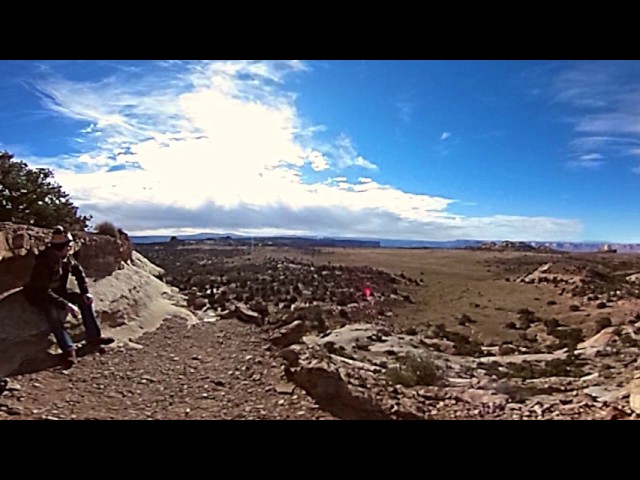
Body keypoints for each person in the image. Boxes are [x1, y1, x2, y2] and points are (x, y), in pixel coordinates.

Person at [22, 226, 114, 365]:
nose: (70, 248)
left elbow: (79, 273)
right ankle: (68, 349)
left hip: (58, 291)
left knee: (84, 301)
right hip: (41, 295)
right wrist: (65, 304)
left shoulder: (66, 259)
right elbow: (42, 291)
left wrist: (85, 292)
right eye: (68, 246)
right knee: (53, 314)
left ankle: (94, 337)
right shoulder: (44, 262)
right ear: (61, 247)